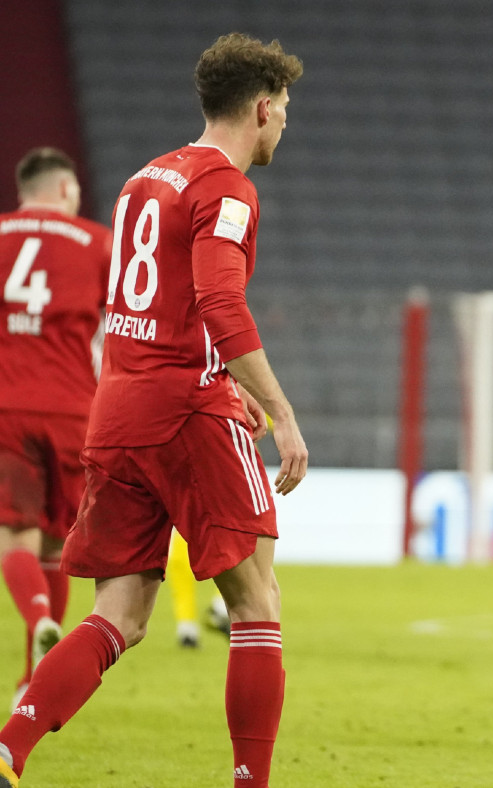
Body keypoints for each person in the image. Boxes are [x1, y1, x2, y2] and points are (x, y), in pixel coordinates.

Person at [0, 33, 307, 787]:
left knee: (119, 614)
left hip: (117, 409)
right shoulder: (228, 189)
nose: (285, 122)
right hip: (186, 414)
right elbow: (220, 301)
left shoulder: (145, 179)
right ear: (260, 109)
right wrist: (281, 410)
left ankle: (8, 749)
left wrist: (224, 375)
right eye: (284, 108)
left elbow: (153, 304)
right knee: (257, 602)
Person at [0, 148, 111, 702]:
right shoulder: (97, 243)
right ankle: (31, 680)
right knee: (57, 542)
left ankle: (38, 614)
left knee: (13, 535)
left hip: (8, 406)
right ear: (66, 189)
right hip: (74, 410)